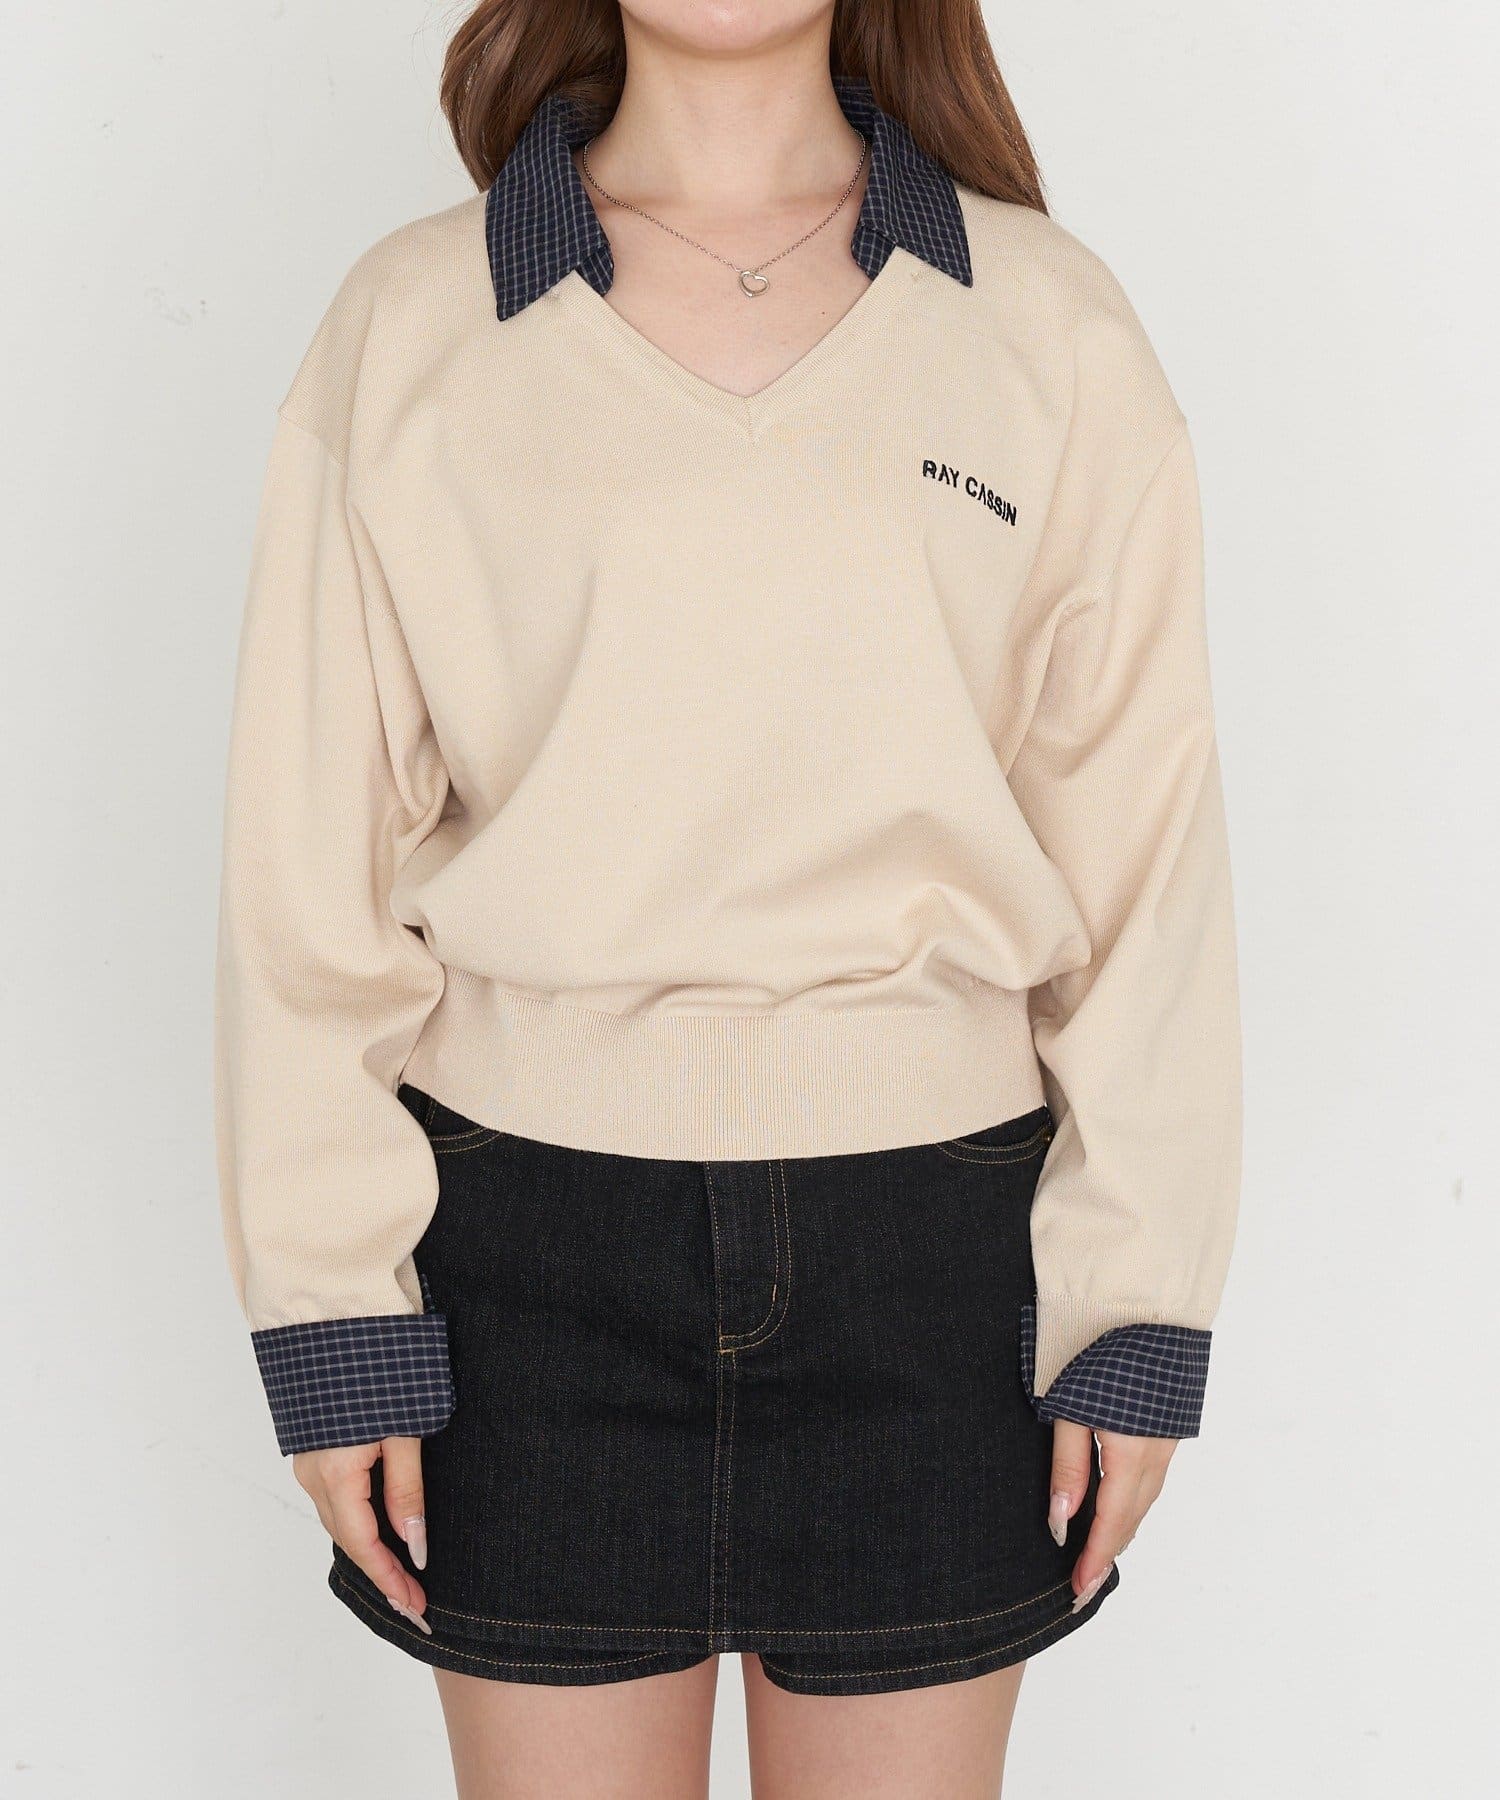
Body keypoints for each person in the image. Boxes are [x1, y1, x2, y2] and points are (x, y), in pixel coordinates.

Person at [213, 2, 1242, 1793]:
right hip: (520, 1259)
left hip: (935, 1267)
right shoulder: (416, 323)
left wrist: (1136, 1304)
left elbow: (1145, 851)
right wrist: (332, 1316)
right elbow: (307, 864)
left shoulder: (1046, 324)